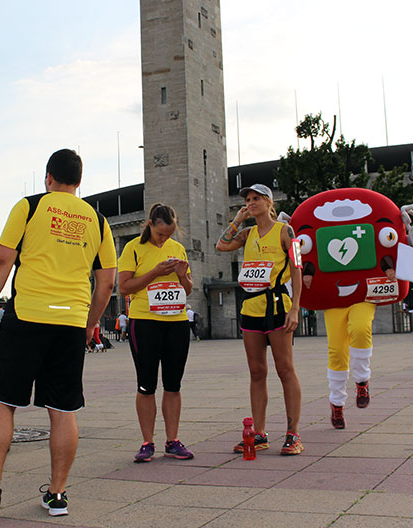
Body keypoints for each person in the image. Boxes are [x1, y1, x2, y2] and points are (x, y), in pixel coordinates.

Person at [0, 149, 117, 517]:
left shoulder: (29, 207)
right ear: (78, 182)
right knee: (63, 408)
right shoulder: (97, 219)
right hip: (70, 323)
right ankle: (57, 495)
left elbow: (2, 259)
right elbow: (106, 282)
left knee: (3, 402)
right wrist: (90, 323)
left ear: (48, 178)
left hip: (27, 316)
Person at [216, 184, 303, 455]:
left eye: (256, 199)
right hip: (251, 307)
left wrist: (296, 308)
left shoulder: (285, 231)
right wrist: (237, 219)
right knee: (256, 372)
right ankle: (259, 433)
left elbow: (297, 267)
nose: (251, 203)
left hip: (278, 306)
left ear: (269, 202)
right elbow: (221, 245)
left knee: (285, 369)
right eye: (248, 200)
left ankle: (292, 433)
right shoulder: (247, 233)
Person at [118, 203, 195, 463]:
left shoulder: (178, 248)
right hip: (145, 321)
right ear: (150, 225)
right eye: (161, 234)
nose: (165, 239)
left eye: (169, 234)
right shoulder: (133, 248)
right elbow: (124, 288)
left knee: (173, 384)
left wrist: (183, 276)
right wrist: (155, 272)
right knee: (146, 384)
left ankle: (172, 441)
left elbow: (188, 289)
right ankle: (147, 442)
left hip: (176, 321)